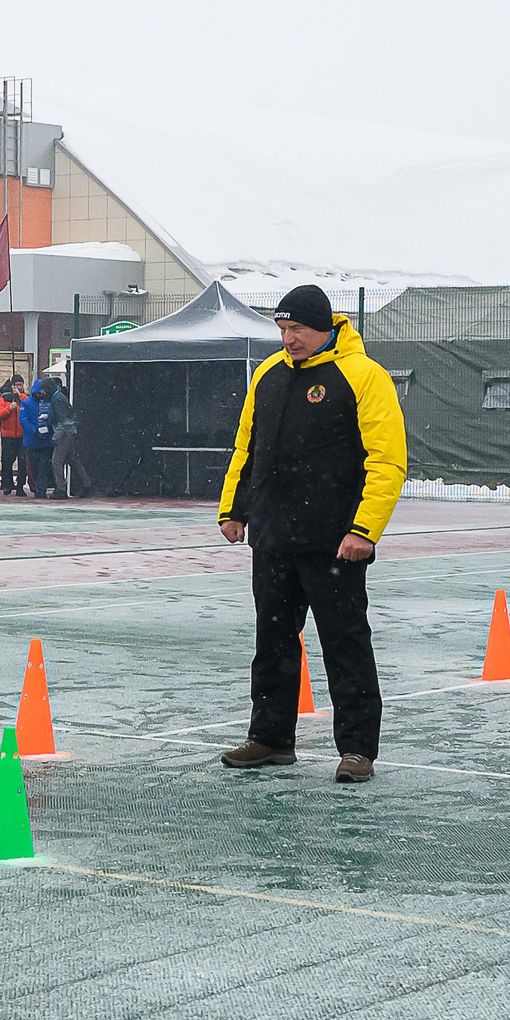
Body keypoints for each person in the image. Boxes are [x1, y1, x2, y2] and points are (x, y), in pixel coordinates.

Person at [215, 283, 407, 784]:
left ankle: (358, 749)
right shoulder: (268, 375)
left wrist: (364, 529)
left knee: (345, 644)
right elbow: (246, 447)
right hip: (274, 538)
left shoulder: (364, 376)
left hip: (335, 542)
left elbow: (387, 461)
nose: (288, 338)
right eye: (281, 328)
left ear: (324, 326)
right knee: (273, 642)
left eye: (296, 328)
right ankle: (272, 739)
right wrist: (233, 509)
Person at [19, 377, 55, 498]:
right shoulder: (27, 403)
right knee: (34, 468)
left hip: (42, 441)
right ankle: (37, 488)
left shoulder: (30, 403)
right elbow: (23, 420)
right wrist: (36, 431)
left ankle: (40, 489)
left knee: (43, 467)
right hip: (33, 441)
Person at [0, 379, 24, 496]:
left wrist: (20, 396)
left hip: (22, 435)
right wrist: (9, 409)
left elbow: (30, 406)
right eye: (16, 385)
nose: (18, 387)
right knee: (7, 461)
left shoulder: (24, 398)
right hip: (8, 434)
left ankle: (20, 486)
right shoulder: (4, 398)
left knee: (23, 462)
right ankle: (7, 484)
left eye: (20, 385)